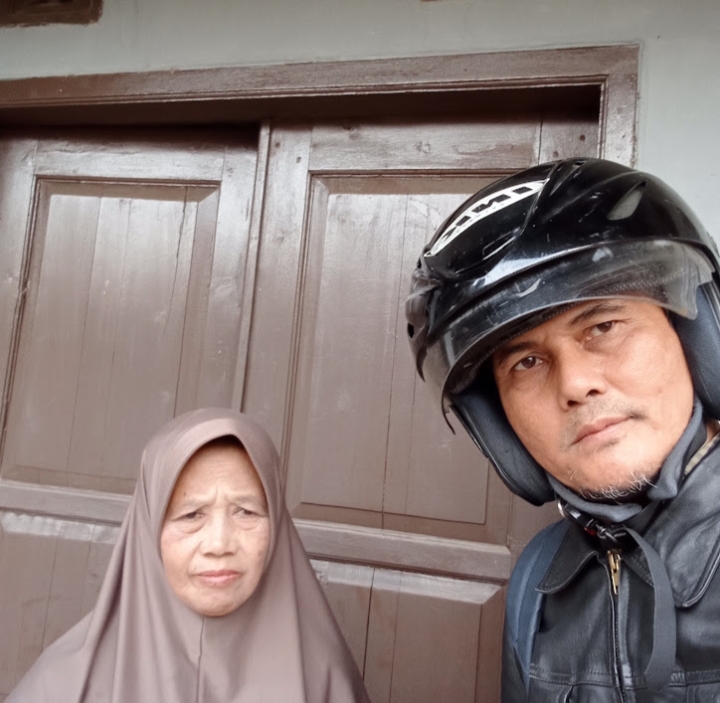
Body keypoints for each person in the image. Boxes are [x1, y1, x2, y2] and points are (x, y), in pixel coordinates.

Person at [405, 158, 720, 701]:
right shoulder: (538, 579)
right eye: (526, 362)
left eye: (604, 325)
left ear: (696, 338)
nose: (574, 384)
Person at [8, 408, 370, 703]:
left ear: (276, 522)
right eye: (191, 515)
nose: (219, 543)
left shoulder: (325, 681)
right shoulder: (65, 686)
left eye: (245, 511)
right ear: (149, 528)